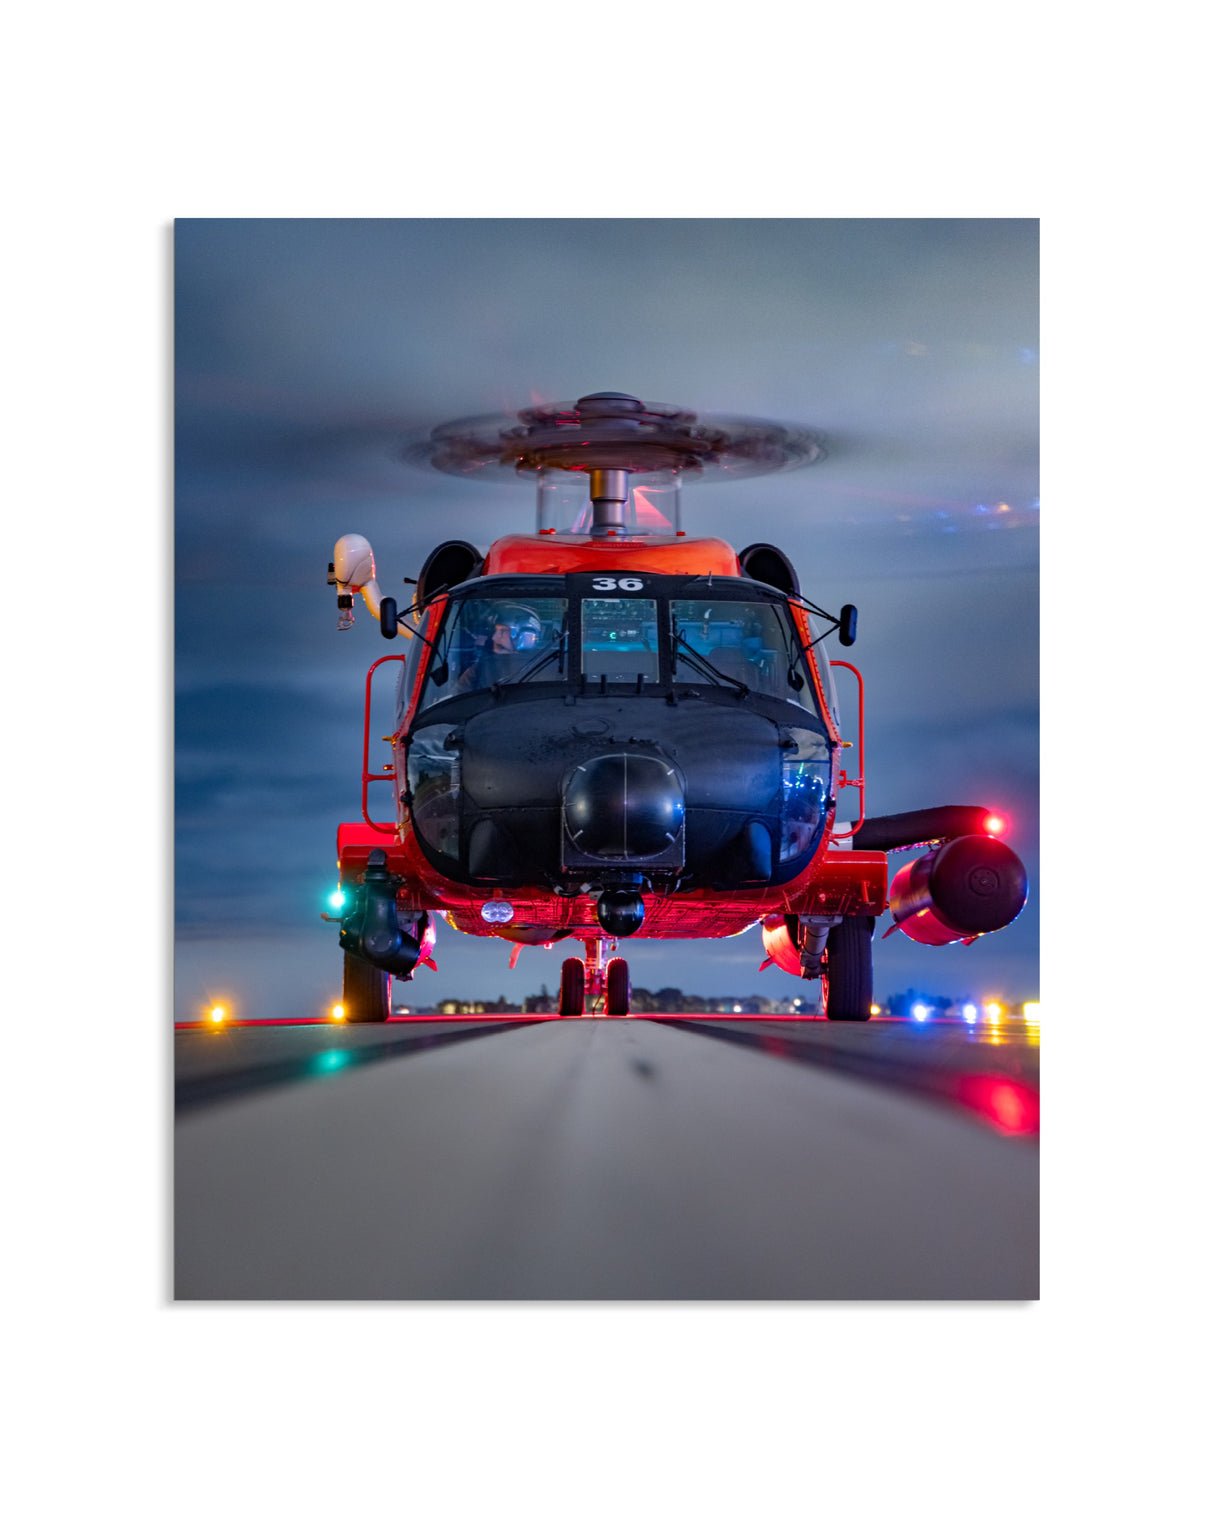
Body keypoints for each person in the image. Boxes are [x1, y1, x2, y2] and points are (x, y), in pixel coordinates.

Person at [456, 603, 543, 691]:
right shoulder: (480, 668)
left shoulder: (541, 668)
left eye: (502, 631)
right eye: (494, 630)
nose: (494, 637)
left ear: (523, 637)